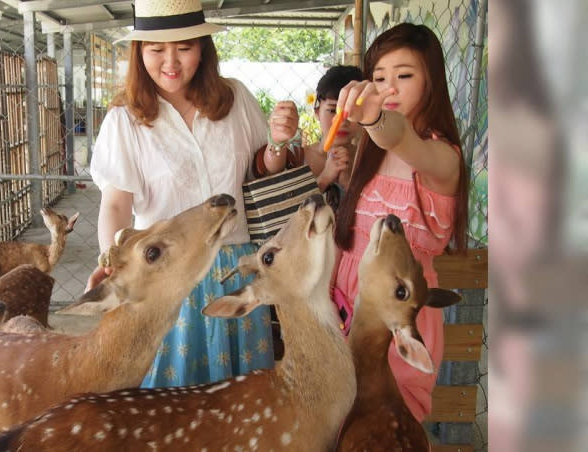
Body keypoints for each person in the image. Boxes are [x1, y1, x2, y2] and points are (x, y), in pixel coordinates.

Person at [86, 0, 294, 388]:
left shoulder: (235, 100)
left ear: (203, 48)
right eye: (156, 49)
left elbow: (261, 171)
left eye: (184, 47)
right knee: (173, 401)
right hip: (167, 274)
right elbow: (116, 203)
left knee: (241, 396)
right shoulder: (124, 120)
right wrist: (112, 260)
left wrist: (279, 144)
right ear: (139, 52)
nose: (171, 62)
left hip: (235, 268)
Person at [330, 23, 470, 422]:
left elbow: (400, 138)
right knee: (338, 421)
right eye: (378, 78)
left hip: (401, 312)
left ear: (432, 82)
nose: (389, 88)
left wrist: (373, 120)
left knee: (388, 424)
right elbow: (348, 238)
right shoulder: (366, 154)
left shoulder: (441, 158)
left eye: (404, 76)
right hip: (345, 306)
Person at [252, 65, 365, 193]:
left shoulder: (369, 160)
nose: (342, 120)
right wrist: (324, 178)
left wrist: (347, 184)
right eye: (333, 110)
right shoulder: (297, 157)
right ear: (317, 112)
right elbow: (272, 169)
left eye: (351, 111)